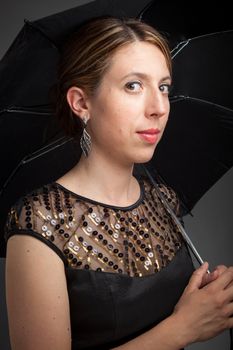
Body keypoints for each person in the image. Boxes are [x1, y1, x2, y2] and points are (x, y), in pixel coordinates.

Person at [4, 16, 233, 350]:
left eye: (163, 87)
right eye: (133, 86)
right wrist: (183, 328)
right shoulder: (39, 223)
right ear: (81, 103)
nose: (158, 108)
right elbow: (179, 327)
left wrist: (210, 300)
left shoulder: (162, 200)